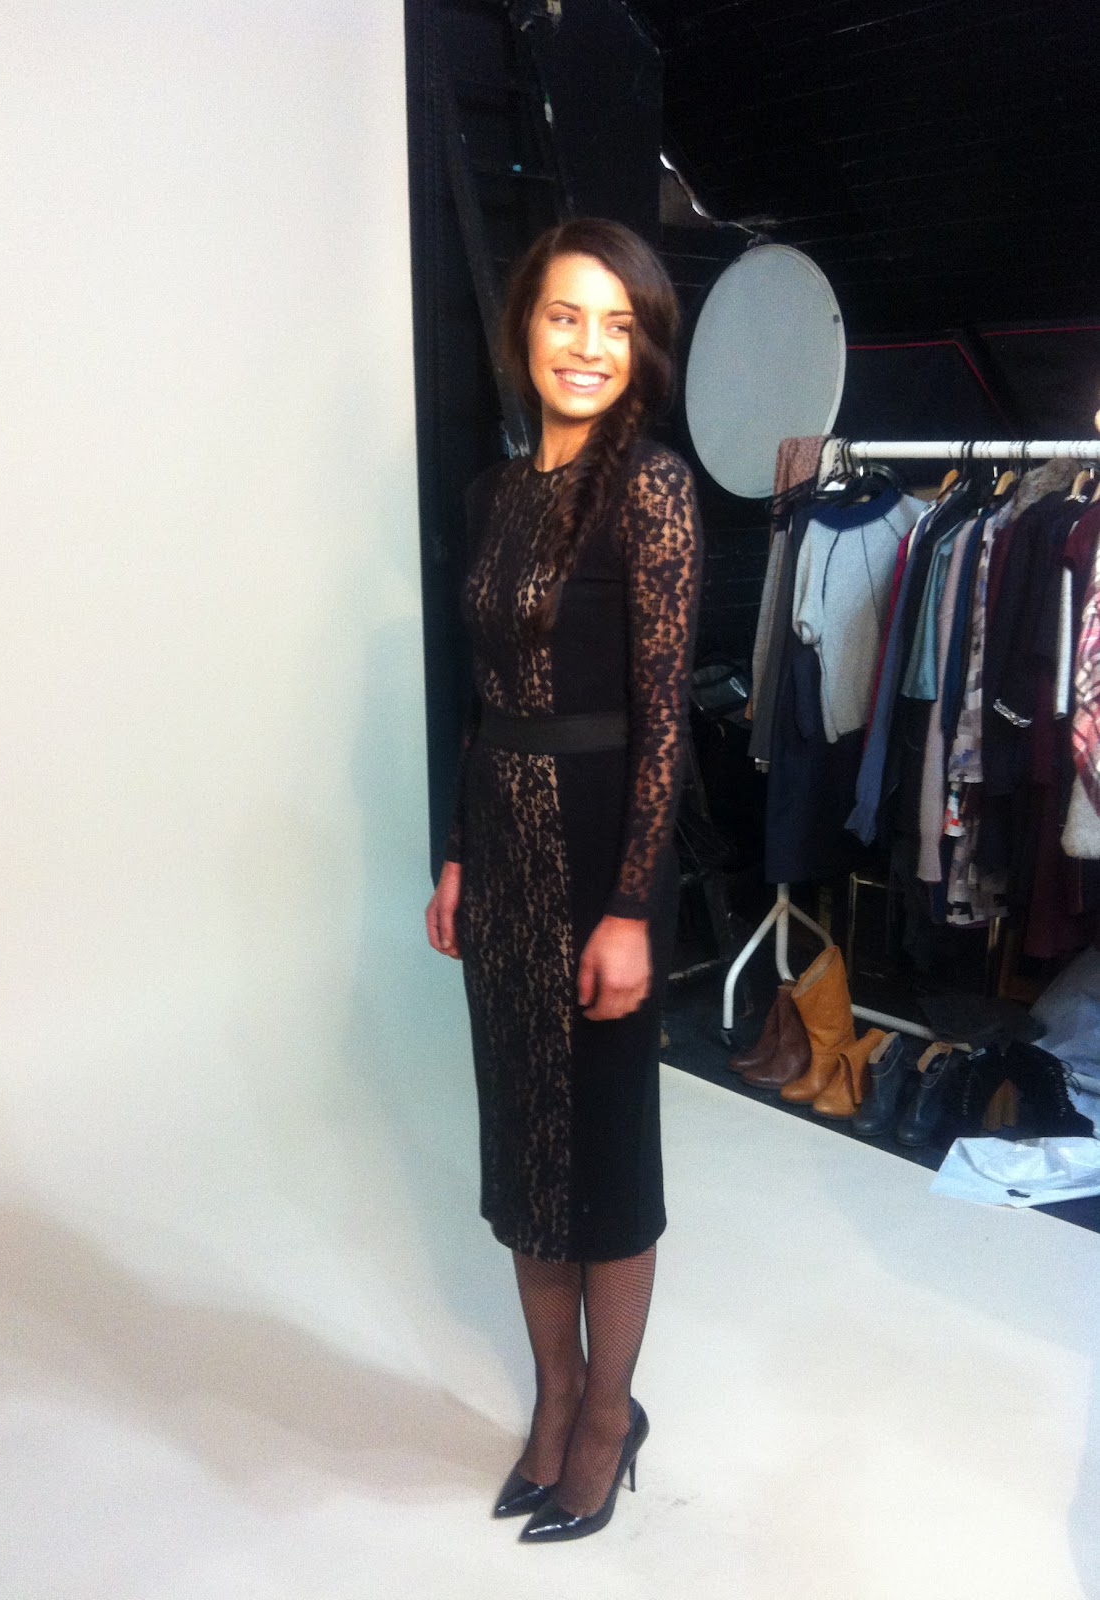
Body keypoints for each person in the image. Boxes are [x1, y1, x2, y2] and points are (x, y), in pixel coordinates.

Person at [424, 218, 702, 1542]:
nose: (587, 345)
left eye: (616, 324)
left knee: (606, 1154)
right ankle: (552, 1398)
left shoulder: (651, 488)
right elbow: (477, 699)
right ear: (525, 327)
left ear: (640, 348)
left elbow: (665, 720)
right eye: (564, 315)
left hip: (601, 856)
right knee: (527, 1148)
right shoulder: (491, 495)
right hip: (504, 857)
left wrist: (633, 908)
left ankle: (607, 1416)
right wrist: (457, 854)